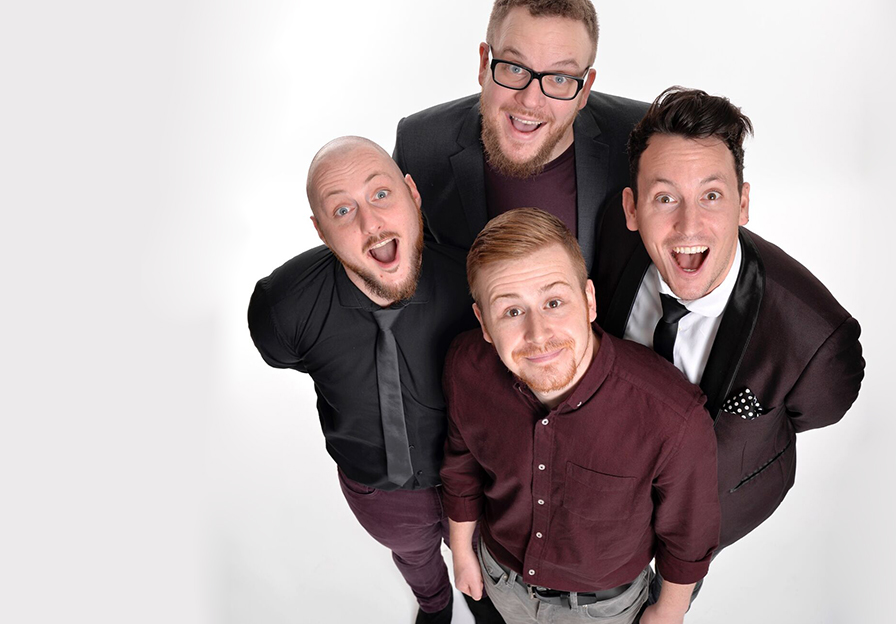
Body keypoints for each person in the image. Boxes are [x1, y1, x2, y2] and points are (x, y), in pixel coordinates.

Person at [594, 87, 866, 601]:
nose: (688, 225)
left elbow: (819, 411)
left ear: (743, 204)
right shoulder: (612, 232)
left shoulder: (818, 342)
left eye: (712, 196)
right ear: (632, 209)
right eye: (665, 198)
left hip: (705, 514)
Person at [246, 136, 499, 624]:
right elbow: (284, 357)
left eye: (381, 194)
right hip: (378, 491)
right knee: (413, 556)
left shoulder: (475, 284)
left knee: (482, 556)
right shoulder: (284, 309)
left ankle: (484, 603)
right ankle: (435, 604)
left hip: (471, 477)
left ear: (413, 194)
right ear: (320, 230)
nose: (370, 223)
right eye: (342, 211)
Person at [440, 208, 720, 624]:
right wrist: (462, 553)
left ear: (589, 300)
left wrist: (669, 612)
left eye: (554, 302)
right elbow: (460, 465)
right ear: (483, 322)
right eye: (511, 311)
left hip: (602, 609)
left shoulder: (673, 416)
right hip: (500, 578)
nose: (538, 335)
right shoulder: (466, 368)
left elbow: (689, 535)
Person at [393, 0, 647, 273]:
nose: (530, 100)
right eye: (515, 68)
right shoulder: (419, 145)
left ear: (585, 90)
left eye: (559, 78)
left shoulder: (645, 138)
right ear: (484, 64)